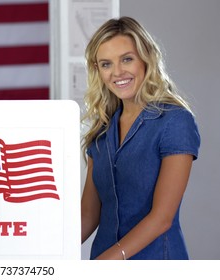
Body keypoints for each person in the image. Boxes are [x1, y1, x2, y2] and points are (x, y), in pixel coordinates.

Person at [80, 16, 200, 260]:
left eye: (126, 59)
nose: (117, 72)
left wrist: (107, 262)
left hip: (156, 261)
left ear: (146, 59)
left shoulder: (175, 121)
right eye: (106, 64)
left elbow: (161, 218)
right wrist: (43, 255)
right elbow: (89, 215)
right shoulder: (102, 130)